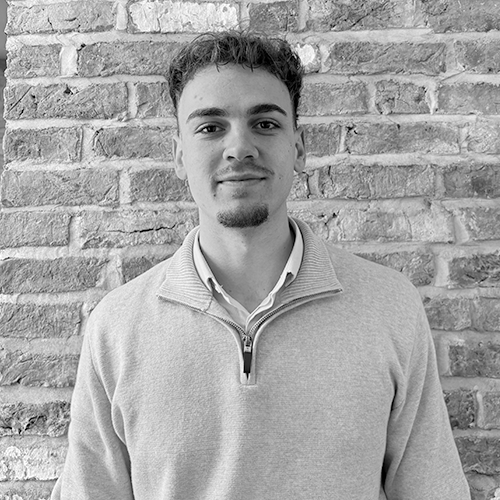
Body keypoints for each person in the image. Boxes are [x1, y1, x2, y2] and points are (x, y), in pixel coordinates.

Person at [51, 31, 471, 499]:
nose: (240, 148)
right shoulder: (117, 327)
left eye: (265, 123)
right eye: (210, 127)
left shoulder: (389, 307)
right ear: (179, 155)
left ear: (300, 147)